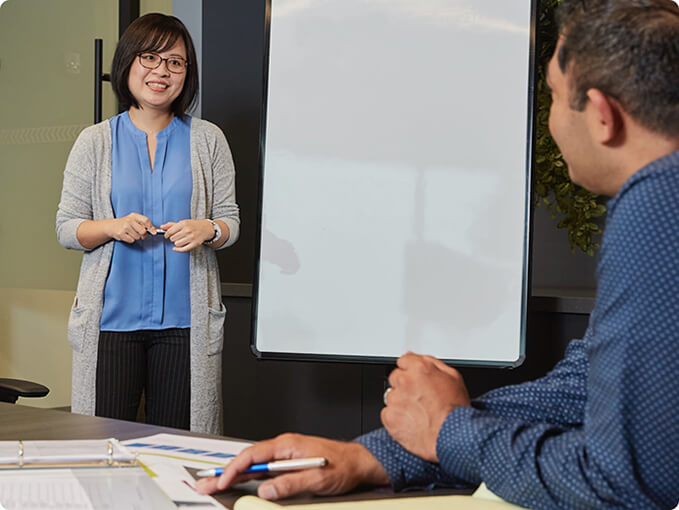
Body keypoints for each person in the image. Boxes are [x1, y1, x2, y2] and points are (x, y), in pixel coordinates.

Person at [197, 0, 679, 507]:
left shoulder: (656, 203)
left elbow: (622, 481)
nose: (551, 123)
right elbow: (583, 389)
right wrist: (381, 455)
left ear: (602, 115)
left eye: (554, 98)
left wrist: (451, 429)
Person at [56, 13, 239, 434]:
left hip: (186, 323)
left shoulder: (208, 139)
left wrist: (208, 229)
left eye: (175, 62)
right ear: (127, 64)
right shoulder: (95, 141)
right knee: (103, 443)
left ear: (186, 73)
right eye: (150, 57)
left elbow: (230, 221)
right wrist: (111, 227)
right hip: (109, 324)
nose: (161, 71)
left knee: (180, 448)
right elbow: (67, 227)